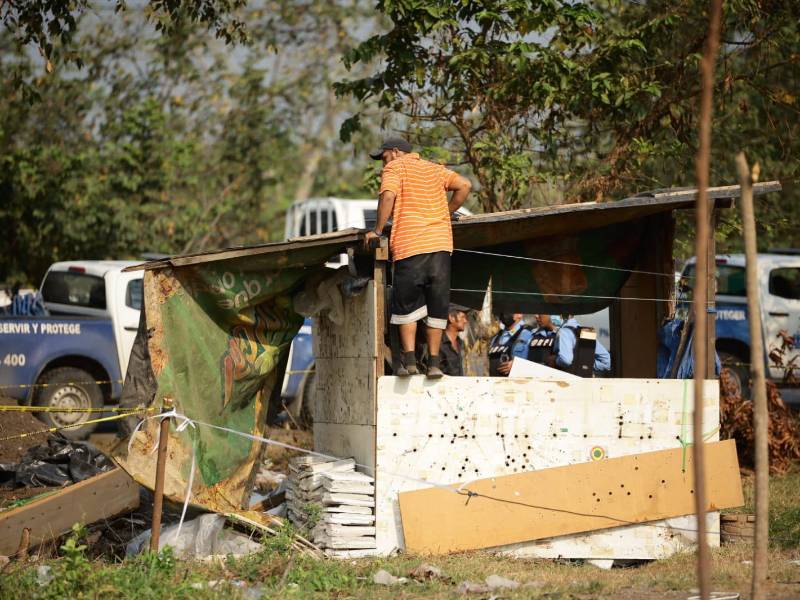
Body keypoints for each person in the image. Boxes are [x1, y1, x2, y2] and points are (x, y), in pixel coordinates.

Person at [364, 137, 472, 378]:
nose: (383, 165)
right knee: (437, 307)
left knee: (406, 307)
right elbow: (464, 185)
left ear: (394, 152)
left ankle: (410, 362)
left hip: (410, 246)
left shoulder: (395, 167)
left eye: (383, 158)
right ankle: (434, 364)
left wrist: (378, 230)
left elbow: (388, 196)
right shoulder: (435, 169)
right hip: (441, 248)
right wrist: (446, 212)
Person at [439, 304, 469, 376]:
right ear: (451, 318)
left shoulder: (461, 343)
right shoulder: (438, 344)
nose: (465, 321)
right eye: (463, 317)